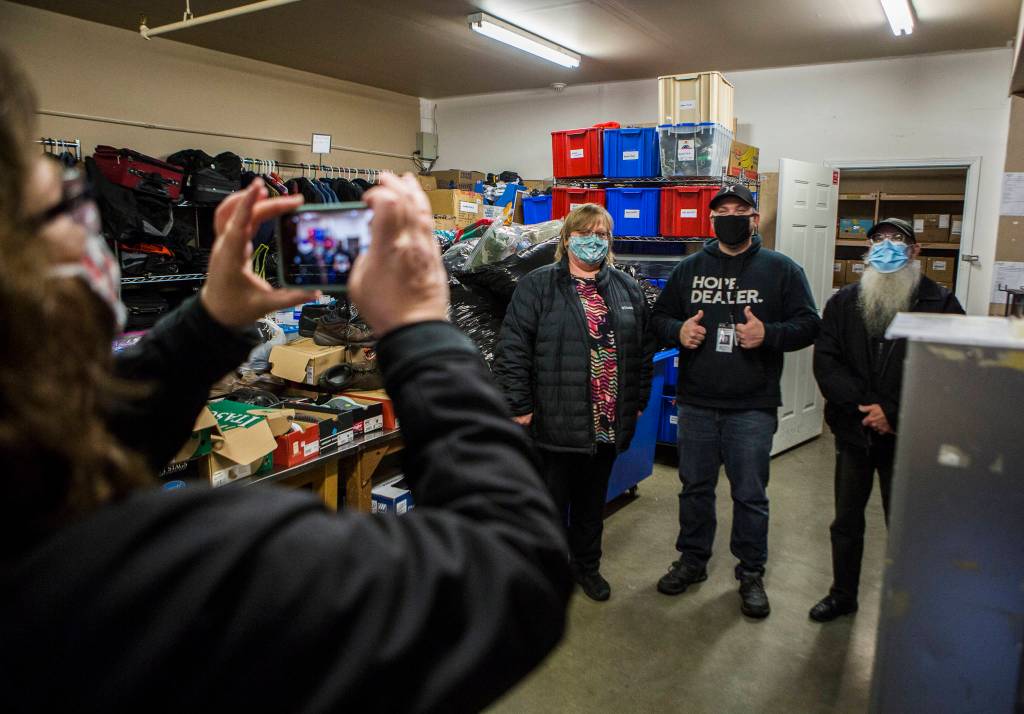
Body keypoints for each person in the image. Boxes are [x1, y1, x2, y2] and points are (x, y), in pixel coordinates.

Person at [0, 50, 571, 712]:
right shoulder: (184, 575)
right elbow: (513, 572)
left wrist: (211, 321)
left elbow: (70, 455)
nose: (90, 223)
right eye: (64, 204)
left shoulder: (29, 489)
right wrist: (419, 329)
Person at [650, 184, 821, 619]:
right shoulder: (689, 268)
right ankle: (692, 561)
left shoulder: (781, 269)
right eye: (721, 210)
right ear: (711, 220)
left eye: (739, 209)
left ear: (754, 217)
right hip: (697, 400)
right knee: (694, 488)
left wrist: (769, 335)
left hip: (752, 404)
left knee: (749, 494)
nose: (730, 216)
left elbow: (809, 324)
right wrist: (678, 332)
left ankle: (750, 574)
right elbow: (659, 317)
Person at [492, 204, 655, 602]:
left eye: (602, 234)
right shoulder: (538, 285)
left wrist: (636, 400)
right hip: (553, 420)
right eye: (585, 232)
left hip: (604, 422)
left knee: (590, 504)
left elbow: (643, 350)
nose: (594, 240)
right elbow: (512, 349)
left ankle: (587, 567)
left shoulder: (626, 287)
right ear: (566, 238)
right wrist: (519, 405)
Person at [809, 217, 964, 622]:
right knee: (846, 521)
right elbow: (827, 361)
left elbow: (950, 372)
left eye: (898, 239)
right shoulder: (844, 302)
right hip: (854, 431)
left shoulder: (940, 303)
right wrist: (866, 407)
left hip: (909, 435)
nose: (887, 245)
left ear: (915, 251)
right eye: (878, 239)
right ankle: (842, 594)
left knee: (907, 523)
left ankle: (910, 602)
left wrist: (893, 412)